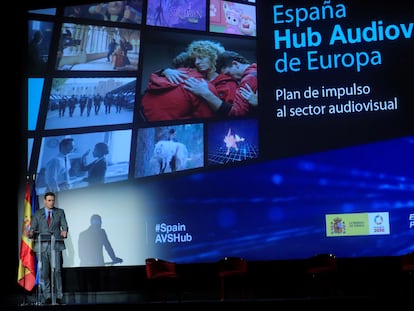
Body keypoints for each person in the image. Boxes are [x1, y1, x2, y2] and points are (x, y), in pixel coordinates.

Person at [141, 51, 217, 121]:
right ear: (196, 64)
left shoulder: (161, 76)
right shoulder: (203, 85)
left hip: (143, 117)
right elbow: (206, 120)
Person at [183, 50, 257, 116]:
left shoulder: (249, 78)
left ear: (235, 64)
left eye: (228, 74)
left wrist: (205, 93)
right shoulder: (254, 71)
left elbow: (236, 112)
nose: (229, 77)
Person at [27, 192, 68, 305]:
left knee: (57, 271)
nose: (51, 202)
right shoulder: (38, 213)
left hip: (56, 245)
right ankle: (47, 296)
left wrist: (64, 231)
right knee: (44, 273)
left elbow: (64, 226)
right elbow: (33, 228)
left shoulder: (60, 212)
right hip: (41, 246)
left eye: (53, 200)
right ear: (45, 201)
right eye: (49, 200)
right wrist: (30, 233)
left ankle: (59, 296)